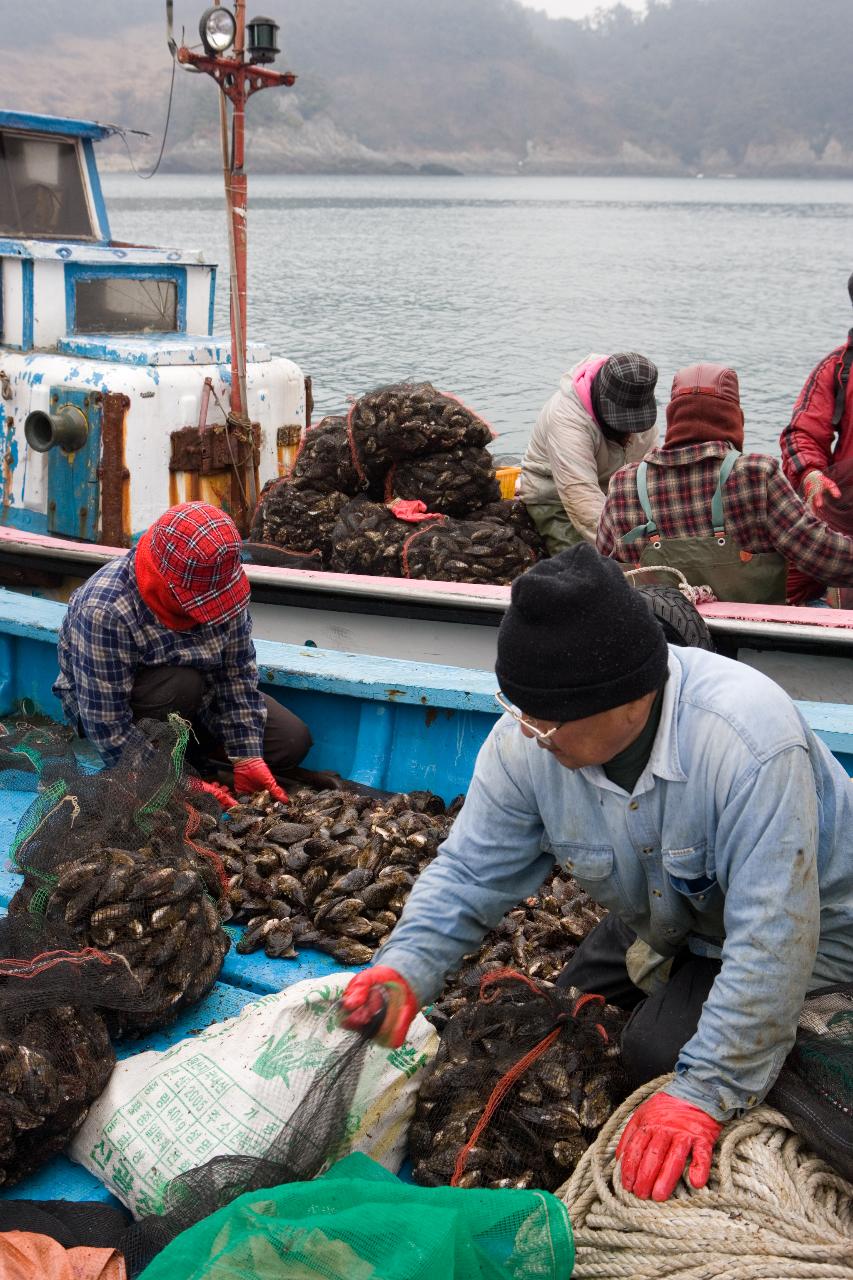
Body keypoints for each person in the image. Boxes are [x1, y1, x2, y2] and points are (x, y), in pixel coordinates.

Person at [341, 544, 853, 1202]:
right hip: (673, 917)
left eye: (545, 722)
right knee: (565, 1022)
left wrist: (701, 1093)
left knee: (654, 1055)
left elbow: (773, 936)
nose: (528, 734)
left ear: (629, 700)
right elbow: (470, 870)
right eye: (518, 710)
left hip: (818, 923)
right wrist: (407, 963)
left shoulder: (749, 741)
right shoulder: (527, 737)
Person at [54, 501, 311, 803]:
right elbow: (106, 724)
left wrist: (246, 755)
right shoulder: (104, 609)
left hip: (199, 698)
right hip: (122, 709)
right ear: (165, 582)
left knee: (291, 741)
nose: (211, 613)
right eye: (199, 603)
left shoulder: (220, 581)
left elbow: (236, 674)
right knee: (181, 683)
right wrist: (176, 785)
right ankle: (169, 765)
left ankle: (198, 754)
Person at [598, 362, 853, 604]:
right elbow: (824, 556)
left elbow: (602, 571)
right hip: (751, 642)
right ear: (733, 418)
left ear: (673, 418)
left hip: (660, 639)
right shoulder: (756, 475)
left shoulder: (624, 483)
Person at [519, 352, 659, 554]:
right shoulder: (567, 418)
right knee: (585, 567)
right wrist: (624, 553)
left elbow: (649, 475)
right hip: (555, 496)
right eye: (621, 422)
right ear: (600, 398)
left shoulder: (638, 399)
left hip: (613, 496)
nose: (629, 432)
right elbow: (581, 498)